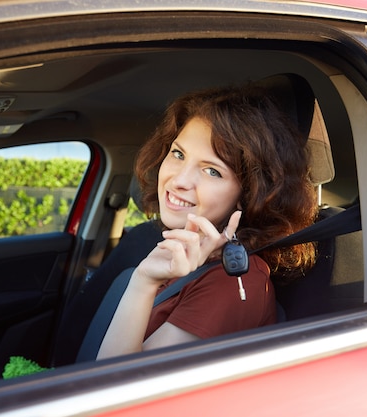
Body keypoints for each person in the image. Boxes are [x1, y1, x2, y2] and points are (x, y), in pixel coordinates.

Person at [96, 81, 318, 360]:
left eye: (212, 171)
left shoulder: (234, 282)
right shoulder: (170, 247)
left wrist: (143, 282)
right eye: (178, 154)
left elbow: (120, 391)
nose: (179, 180)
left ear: (248, 193)